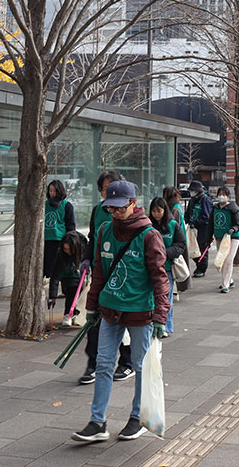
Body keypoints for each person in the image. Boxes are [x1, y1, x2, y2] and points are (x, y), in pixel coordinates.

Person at [72, 180, 170, 443]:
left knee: (139, 366)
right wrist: (91, 307)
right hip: (110, 311)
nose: (114, 213)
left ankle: (137, 418)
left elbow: (160, 279)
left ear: (133, 204)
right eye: (110, 209)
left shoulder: (149, 236)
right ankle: (97, 421)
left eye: (119, 208)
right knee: (103, 363)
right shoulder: (104, 231)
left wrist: (161, 317)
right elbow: (99, 272)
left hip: (140, 312)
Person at [80, 170, 134, 386]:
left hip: (123, 278)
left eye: (112, 188)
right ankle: (92, 364)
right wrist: (86, 258)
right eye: (104, 189)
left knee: (123, 322)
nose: (108, 193)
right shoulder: (97, 211)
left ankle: (127, 362)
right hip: (101, 275)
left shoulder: (130, 213)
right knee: (94, 320)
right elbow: (93, 238)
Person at [149, 196, 186, 334]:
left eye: (159, 211)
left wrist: (165, 253)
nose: (156, 214)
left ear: (165, 210)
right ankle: (152, 325)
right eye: (153, 211)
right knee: (152, 298)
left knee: (166, 298)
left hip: (167, 269)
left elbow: (181, 244)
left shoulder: (172, 225)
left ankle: (165, 326)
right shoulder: (148, 225)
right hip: (151, 268)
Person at [209, 186, 239, 293]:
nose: (221, 197)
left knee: (228, 260)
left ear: (228, 196)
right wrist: (208, 237)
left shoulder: (233, 208)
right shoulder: (215, 208)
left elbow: (238, 224)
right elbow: (210, 224)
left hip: (233, 237)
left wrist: (232, 230)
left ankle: (225, 284)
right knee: (223, 259)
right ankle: (230, 280)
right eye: (220, 194)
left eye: (224, 195)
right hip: (220, 237)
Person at [50, 231, 87, 327]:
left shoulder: (84, 249)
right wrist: (52, 296)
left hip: (82, 276)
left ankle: (72, 314)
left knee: (78, 293)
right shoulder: (61, 253)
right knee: (71, 291)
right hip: (67, 277)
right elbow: (55, 274)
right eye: (65, 249)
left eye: (70, 249)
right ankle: (70, 313)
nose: (68, 252)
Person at [44, 180, 76, 279]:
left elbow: (71, 226)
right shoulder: (44, 204)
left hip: (60, 241)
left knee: (60, 268)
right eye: (50, 190)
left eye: (55, 191)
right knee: (48, 268)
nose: (52, 193)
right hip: (46, 240)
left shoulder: (66, 205)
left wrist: (69, 242)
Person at [163, 186, 190, 294]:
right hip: (181, 240)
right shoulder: (176, 207)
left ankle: (176, 289)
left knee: (176, 265)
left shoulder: (174, 209)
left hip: (176, 242)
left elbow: (173, 227)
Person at [186, 181, 213, 278]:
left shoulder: (205, 200)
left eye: (192, 191)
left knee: (202, 248)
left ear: (196, 191)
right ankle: (198, 266)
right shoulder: (192, 200)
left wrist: (196, 222)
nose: (191, 192)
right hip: (192, 228)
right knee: (192, 248)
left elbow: (206, 217)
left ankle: (201, 269)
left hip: (203, 229)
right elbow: (188, 212)